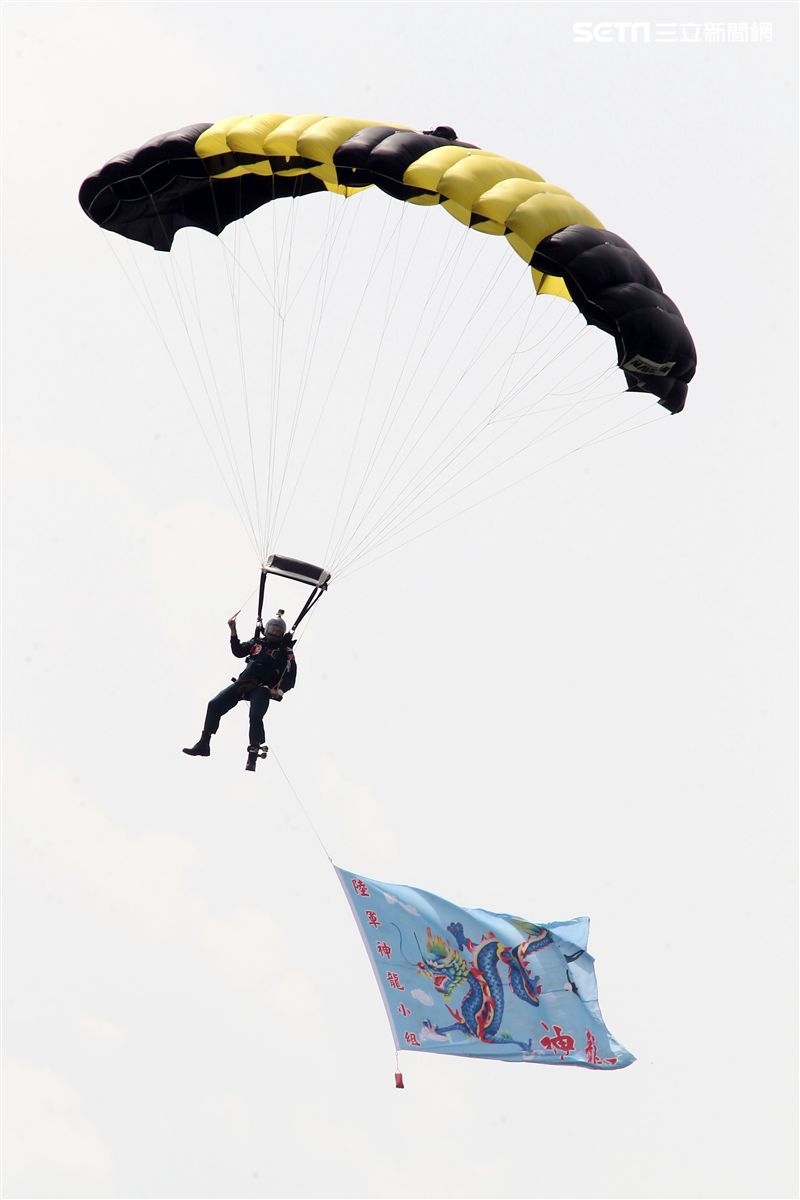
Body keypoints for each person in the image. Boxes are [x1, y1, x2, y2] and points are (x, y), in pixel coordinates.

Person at [182, 610, 297, 759]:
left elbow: (291, 673)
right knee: (214, 704)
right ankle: (204, 744)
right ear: (267, 629)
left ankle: (254, 746)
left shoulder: (284, 650)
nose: (274, 632)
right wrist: (233, 630)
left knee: (255, 715)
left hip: (262, 688)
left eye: (277, 631)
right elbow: (238, 651)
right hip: (243, 683)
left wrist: (280, 690)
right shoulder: (257, 642)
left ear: (281, 634)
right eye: (272, 629)